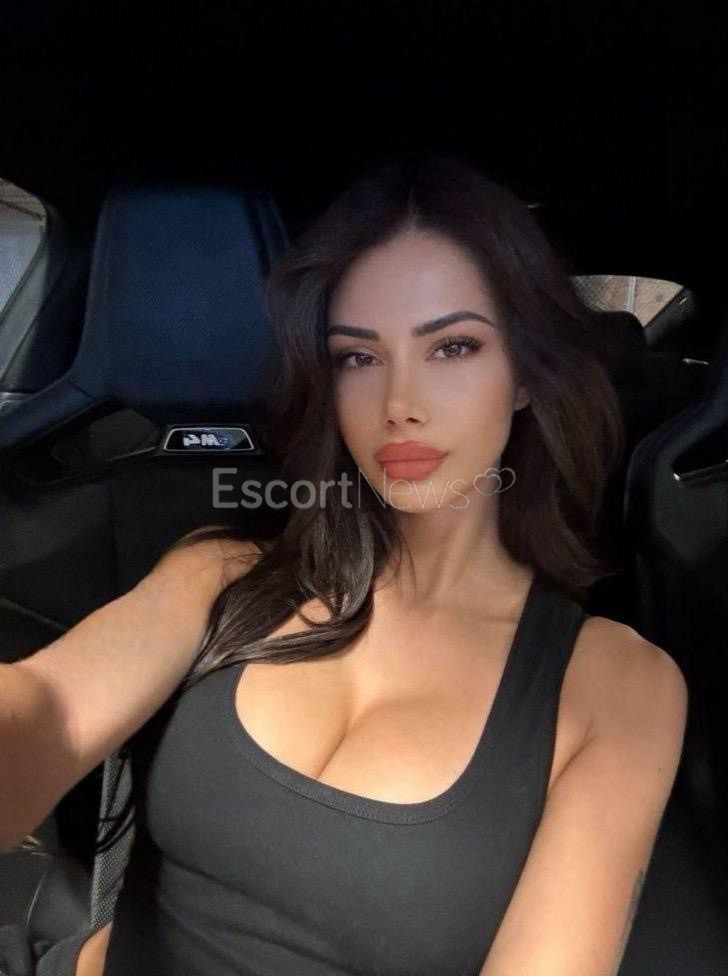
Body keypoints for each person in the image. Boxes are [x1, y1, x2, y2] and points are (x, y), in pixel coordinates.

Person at [1, 152, 687, 976]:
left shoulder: (616, 687)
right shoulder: (224, 573)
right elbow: (48, 708)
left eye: (453, 347)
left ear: (523, 378)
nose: (399, 403)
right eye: (358, 357)